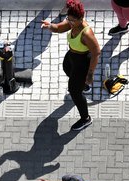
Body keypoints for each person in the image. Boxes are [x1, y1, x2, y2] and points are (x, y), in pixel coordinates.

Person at [41, 0, 101, 131]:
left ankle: (86, 119)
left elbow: (96, 52)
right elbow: (59, 28)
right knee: (66, 68)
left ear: (81, 19)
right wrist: (49, 26)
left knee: (74, 92)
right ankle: (83, 86)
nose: (70, 22)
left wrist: (90, 74)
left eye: (73, 20)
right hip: (72, 56)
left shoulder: (86, 34)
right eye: (69, 19)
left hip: (82, 62)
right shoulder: (72, 23)